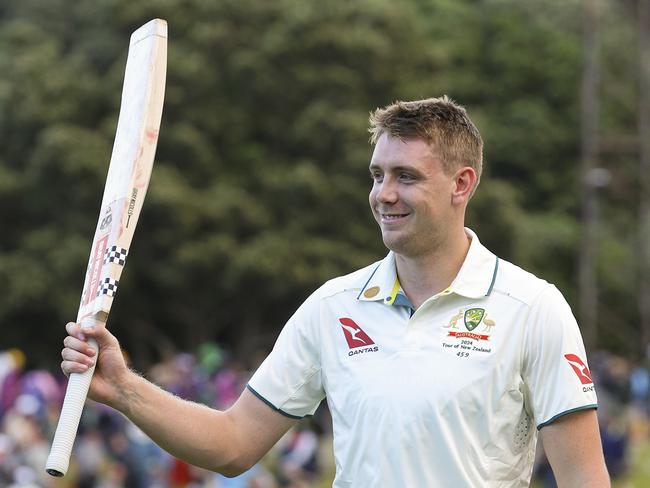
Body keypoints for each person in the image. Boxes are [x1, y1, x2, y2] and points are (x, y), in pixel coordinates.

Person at [61, 96, 610, 487]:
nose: (384, 195)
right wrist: (126, 388)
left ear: (462, 184)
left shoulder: (532, 307)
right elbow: (232, 445)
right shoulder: (333, 307)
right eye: (377, 175)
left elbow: (585, 479)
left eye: (407, 177)